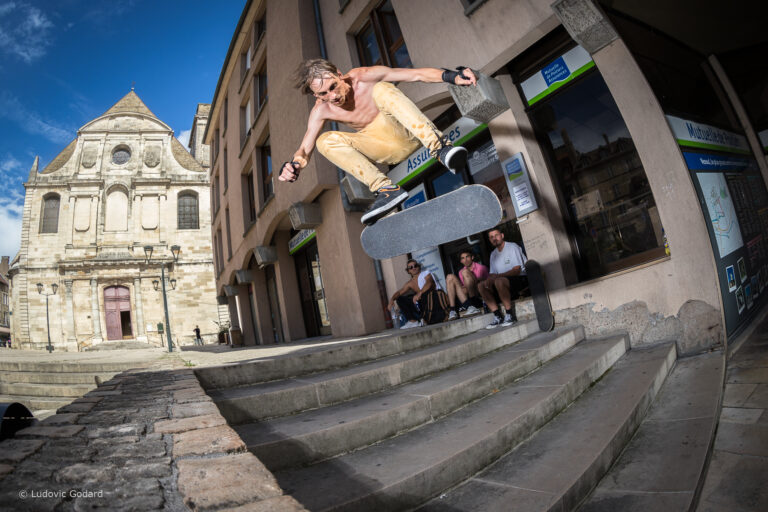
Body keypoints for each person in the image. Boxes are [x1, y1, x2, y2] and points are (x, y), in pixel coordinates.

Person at [279, 59, 477, 224]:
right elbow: (305, 147)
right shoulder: (321, 110)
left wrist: (452, 76)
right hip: (382, 149)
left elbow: (415, 74)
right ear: (316, 95)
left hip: (406, 131)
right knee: (324, 141)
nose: (333, 96)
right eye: (324, 94)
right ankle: (386, 190)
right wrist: (295, 165)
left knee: (382, 88)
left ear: (339, 74)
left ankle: (441, 148)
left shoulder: (364, 76)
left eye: (333, 86)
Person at [478, 228, 528, 329]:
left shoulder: (512, 247)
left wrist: (497, 277)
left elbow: (517, 270)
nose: (494, 238)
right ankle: (497, 316)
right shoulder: (493, 254)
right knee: (481, 285)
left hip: (520, 279)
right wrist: (489, 280)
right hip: (503, 282)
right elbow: (492, 274)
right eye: (491, 237)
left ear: (502, 235)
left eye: (496, 235)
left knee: (499, 281)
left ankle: (510, 315)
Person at [387, 259, 442, 329]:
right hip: (421, 304)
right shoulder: (410, 283)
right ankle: (413, 321)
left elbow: (429, 283)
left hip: (434, 301)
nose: (414, 268)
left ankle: (425, 319)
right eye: (411, 267)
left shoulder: (426, 274)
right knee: (400, 299)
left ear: (419, 267)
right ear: (408, 271)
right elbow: (399, 292)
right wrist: (391, 300)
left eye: (415, 266)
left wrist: (420, 293)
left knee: (425, 294)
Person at [445, 250, 488, 320]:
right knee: (450, 277)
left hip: (479, 296)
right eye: (463, 258)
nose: (465, 260)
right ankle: (453, 310)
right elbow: (464, 289)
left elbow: (488, 284)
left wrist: (477, 280)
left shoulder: (481, 268)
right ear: (461, 261)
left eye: (467, 257)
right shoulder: (460, 272)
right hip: (468, 298)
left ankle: (473, 303)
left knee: (465, 272)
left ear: (472, 257)